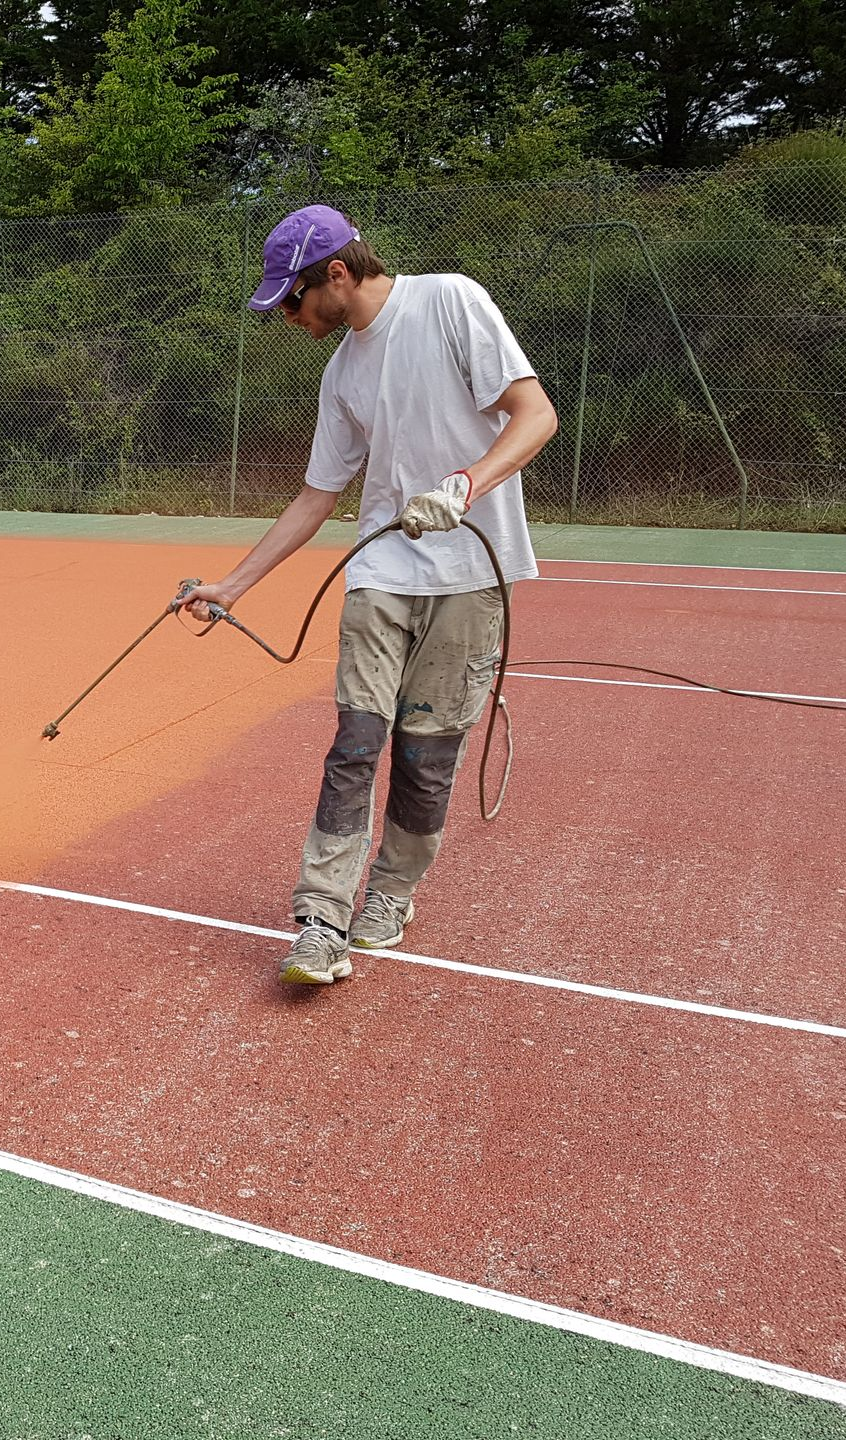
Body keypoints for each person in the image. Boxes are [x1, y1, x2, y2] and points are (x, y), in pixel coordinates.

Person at [182, 204, 558, 986]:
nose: (288, 316)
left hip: (470, 576)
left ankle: (390, 892)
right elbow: (317, 495)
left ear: (339, 274)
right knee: (354, 745)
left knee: (424, 759)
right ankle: (320, 918)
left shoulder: (451, 300)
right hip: (382, 575)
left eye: (292, 299)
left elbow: (535, 414)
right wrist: (232, 587)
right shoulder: (341, 371)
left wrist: (463, 485)